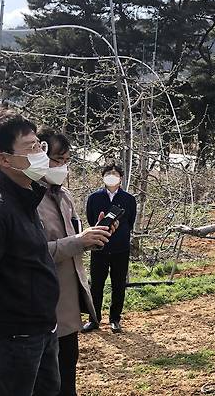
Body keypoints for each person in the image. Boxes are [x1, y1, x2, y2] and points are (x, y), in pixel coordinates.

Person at [0, 108, 60, 396]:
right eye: (30, 148)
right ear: (4, 159)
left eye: (39, 145)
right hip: (15, 336)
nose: (40, 153)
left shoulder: (27, 198)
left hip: (43, 327)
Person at [35, 127, 116, 396]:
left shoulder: (64, 196)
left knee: (67, 381)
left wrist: (93, 236)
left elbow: (72, 241)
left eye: (67, 160)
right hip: (40, 310)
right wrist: (79, 241)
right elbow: (29, 255)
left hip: (68, 310)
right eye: (58, 160)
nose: (63, 167)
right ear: (38, 155)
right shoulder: (26, 200)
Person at [82, 163, 137, 334]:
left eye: (115, 174)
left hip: (121, 248)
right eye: (108, 173)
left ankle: (115, 319)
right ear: (103, 177)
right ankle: (94, 319)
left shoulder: (129, 199)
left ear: (121, 178)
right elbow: (92, 220)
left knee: (118, 284)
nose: (112, 176)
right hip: (99, 248)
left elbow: (130, 222)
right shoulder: (94, 198)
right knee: (96, 284)